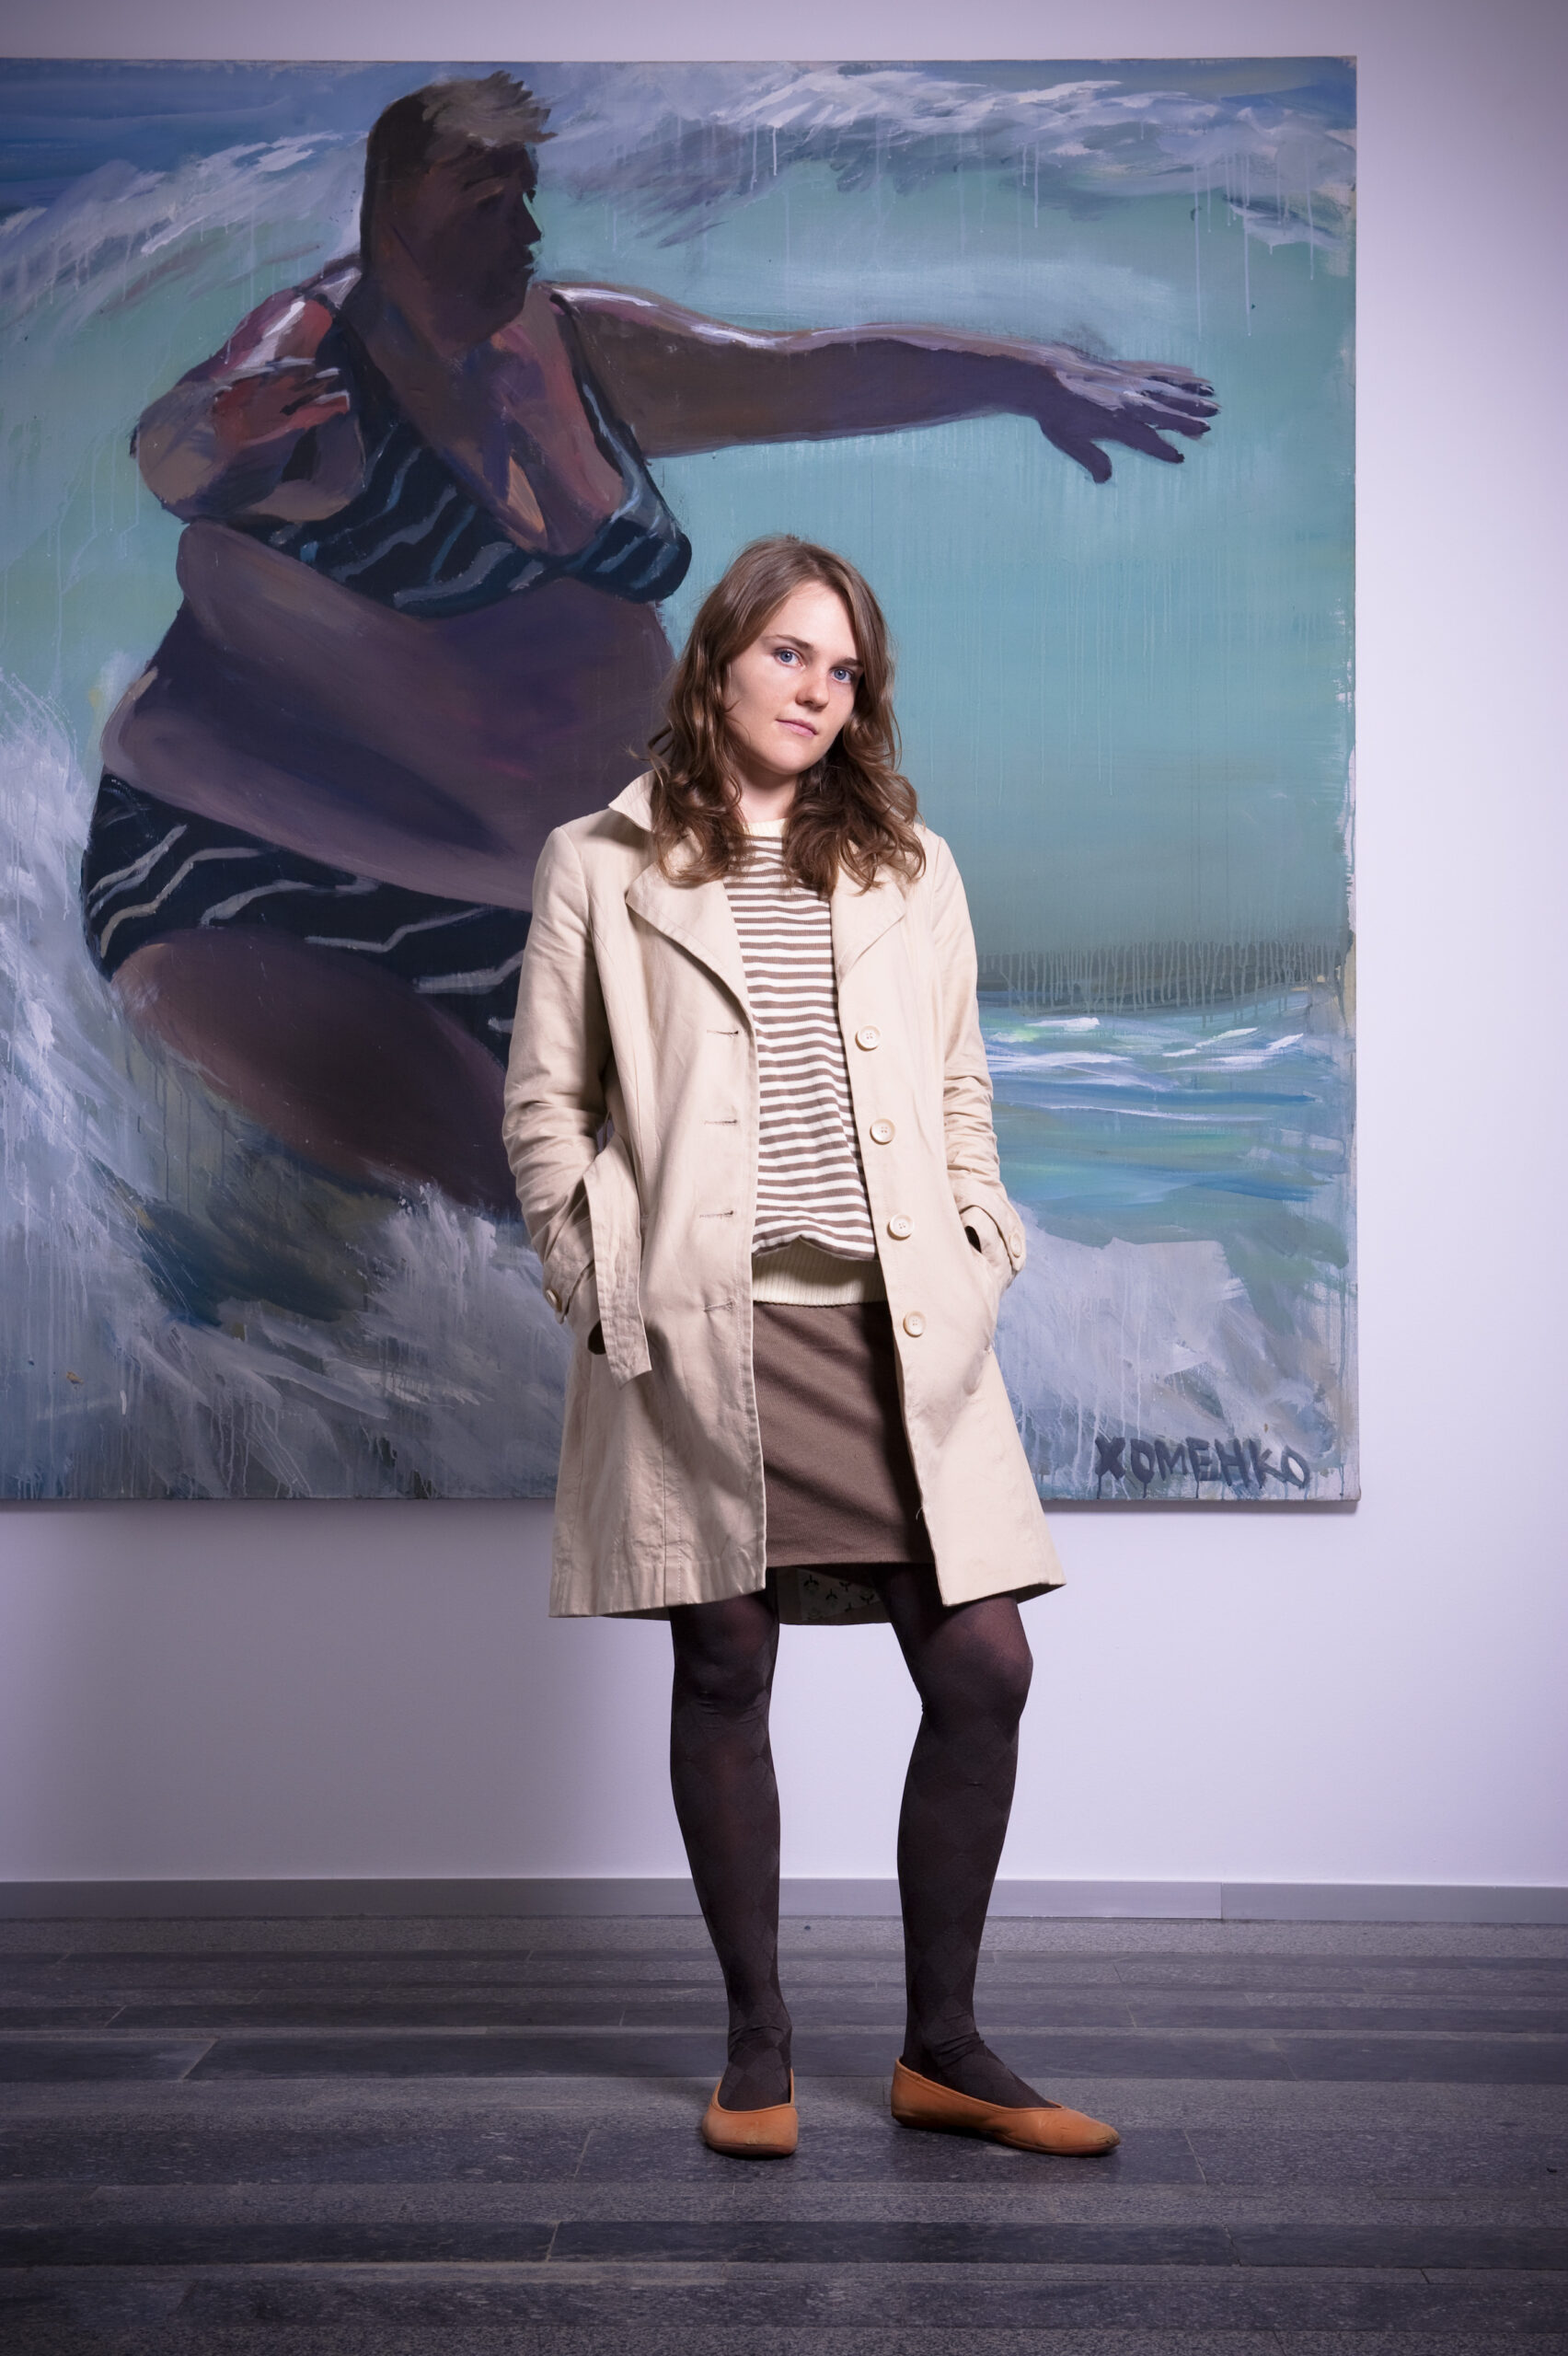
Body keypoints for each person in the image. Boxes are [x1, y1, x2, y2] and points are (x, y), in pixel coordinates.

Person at [85, 74, 1215, 1215]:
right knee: (536, 1221)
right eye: (485, 202)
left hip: (533, 920)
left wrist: (1025, 379)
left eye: (526, 195)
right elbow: (181, 450)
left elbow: (802, 376)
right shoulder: (320, 359)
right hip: (264, 883)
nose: (525, 231)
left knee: (749, 1210)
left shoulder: (574, 347)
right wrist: (213, 437)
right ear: (392, 211)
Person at [503, 535, 1118, 2161]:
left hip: (891, 1327)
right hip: (696, 1325)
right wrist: (594, 1282)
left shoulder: (914, 864)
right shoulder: (596, 861)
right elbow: (546, 1105)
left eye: (844, 670)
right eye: (789, 653)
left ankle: (942, 2049)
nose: (818, 690)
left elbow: (962, 1085)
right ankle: (756, 2045)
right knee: (725, 1663)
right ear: (716, 661)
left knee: (983, 1667)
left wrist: (980, 1242)